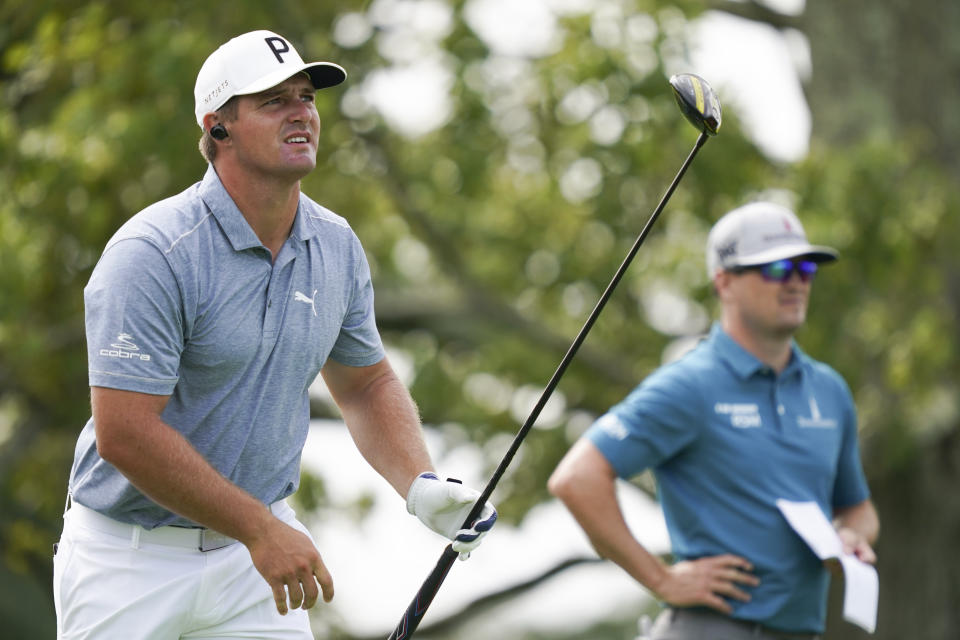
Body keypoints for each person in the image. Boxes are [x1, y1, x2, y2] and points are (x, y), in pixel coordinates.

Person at [53, 30, 496, 640]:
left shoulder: (335, 243)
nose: (301, 114)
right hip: (129, 562)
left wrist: (419, 484)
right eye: (273, 101)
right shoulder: (153, 252)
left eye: (306, 97)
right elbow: (125, 434)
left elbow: (365, 384)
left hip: (249, 566)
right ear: (218, 128)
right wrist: (261, 530)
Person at [549, 202, 879, 639]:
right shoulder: (691, 384)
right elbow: (577, 478)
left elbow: (858, 508)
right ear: (724, 281)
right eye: (777, 268)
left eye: (806, 267)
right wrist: (661, 579)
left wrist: (852, 535)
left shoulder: (829, 389)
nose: (797, 280)